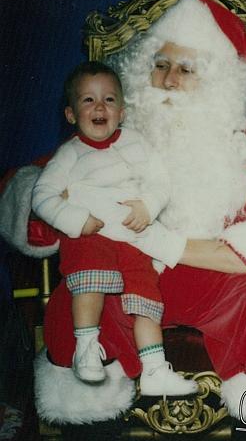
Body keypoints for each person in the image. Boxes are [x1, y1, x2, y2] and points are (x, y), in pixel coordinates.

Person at [0, 0, 246, 435]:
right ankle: (93, 425)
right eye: (160, 65)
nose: (168, 81)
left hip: (219, 283)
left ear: (218, 81)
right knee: (65, 313)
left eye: (186, 69)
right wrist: (50, 211)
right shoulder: (119, 129)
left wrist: (164, 242)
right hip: (127, 278)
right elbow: (37, 190)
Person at [31, 61, 197, 394]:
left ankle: (154, 369)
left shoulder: (135, 142)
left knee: (146, 295)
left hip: (133, 236)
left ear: (121, 112)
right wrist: (76, 220)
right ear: (71, 114)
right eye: (88, 100)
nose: (99, 107)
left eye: (108, 100)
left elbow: (159, 179)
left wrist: (148, 206)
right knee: (88, 279)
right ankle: (86, 349)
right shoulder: (69, 155)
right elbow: (42, 196)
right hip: (92, 232)